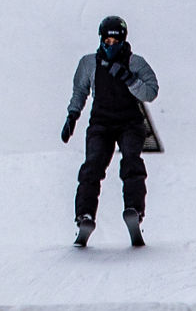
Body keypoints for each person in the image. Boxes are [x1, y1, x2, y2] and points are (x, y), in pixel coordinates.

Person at [62, 15, 159, 248]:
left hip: (130, 123)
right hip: (101, 124)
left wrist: (129, 79)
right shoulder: (89, 63)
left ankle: (134, 211)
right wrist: (72, 116)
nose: (110, 45)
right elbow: (80, 91)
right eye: (107, 41)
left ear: (123, 40)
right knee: (92, 167)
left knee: (132, 163)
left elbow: (151, 92)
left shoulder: (136, 63)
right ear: (101, 39)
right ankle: (84, 217)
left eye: (115, 42)